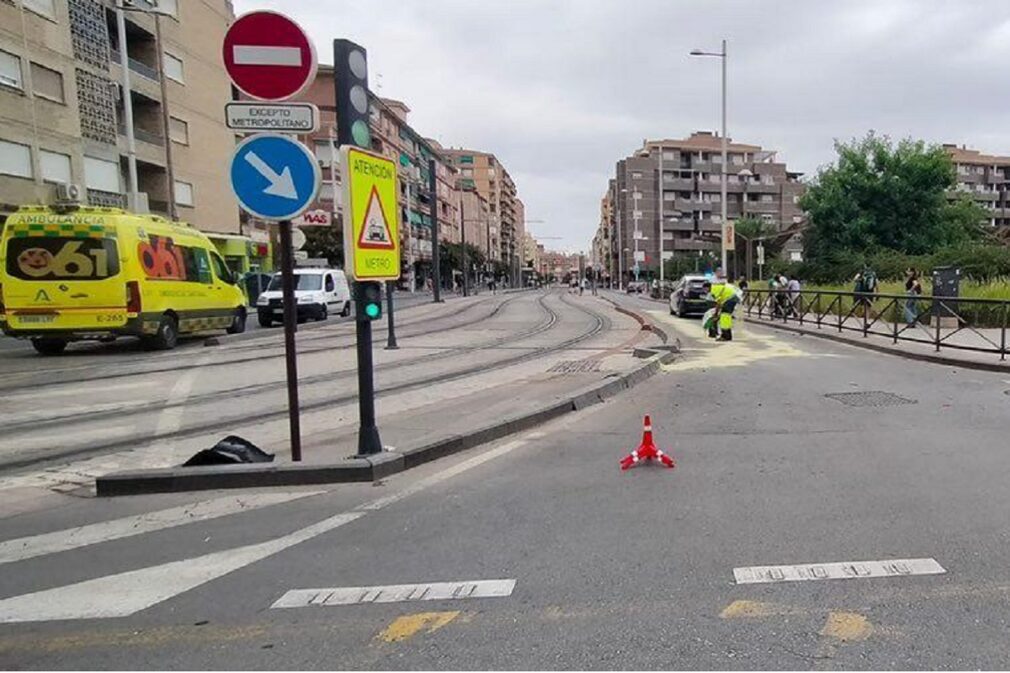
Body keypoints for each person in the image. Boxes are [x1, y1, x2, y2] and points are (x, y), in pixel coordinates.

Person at [707, 273, 742, 341]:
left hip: (731, 298)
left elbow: (718, 303)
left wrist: (716, 313)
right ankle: (728, 335)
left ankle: (725, 336)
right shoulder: (716, 287)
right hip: (733, 297)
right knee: (726, 316)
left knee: (724, 316)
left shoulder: (714, 289)